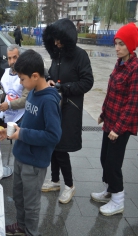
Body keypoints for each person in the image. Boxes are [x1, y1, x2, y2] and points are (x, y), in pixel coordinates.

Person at [0, 49, 62, 236]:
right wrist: (15, 129)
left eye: (22, 79)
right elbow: (30, 119)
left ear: (35, 76)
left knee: (31, 203)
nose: (21, 83)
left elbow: (53, 135)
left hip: (34, 162)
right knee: (18, 196)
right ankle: (22, 226)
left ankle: (31, 235)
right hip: (21, 153)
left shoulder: (49, 101)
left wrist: (22, 133)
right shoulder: (33, 91)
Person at [41, 18, 94, 204]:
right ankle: (55, 180)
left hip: (70, 108)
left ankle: (69, 185)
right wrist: (49, 79)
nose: (56, 43)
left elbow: (88, 82)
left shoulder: (80, 56)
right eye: (54, 39)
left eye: (59, 39)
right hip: (56, 106)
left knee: (61, 147)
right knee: (54, 144)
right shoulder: (58, 54)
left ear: (68, 37)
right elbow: (51, 74)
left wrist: (65, 87)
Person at [91, 23, 138, 216]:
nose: (117, 48)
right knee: (104, 158)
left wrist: (118, 128)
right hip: (110, 121)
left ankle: (118, 200)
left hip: (121, 126)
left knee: (113, 163)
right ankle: (110, 190)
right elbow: (111, 93)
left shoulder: (135, 69)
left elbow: (132, 104)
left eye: (121, 44)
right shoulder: (119, 63)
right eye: (116, 43)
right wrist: (103, 113)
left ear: (131, 45)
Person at [0, 44, 29, 128]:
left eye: (15, 57)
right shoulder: (5, 73)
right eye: (9, 58)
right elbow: (3, 94)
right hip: (6, 113)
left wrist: (8, 105)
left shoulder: (26, 74)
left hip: (21, 116)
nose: (12, 61)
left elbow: (26, 99)